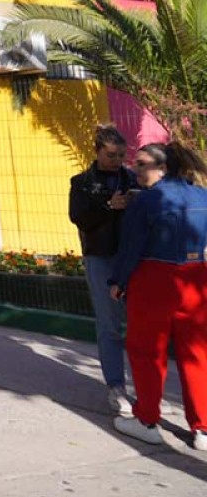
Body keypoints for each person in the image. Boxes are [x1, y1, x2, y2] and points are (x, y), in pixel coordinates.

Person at [108, 141, 207, 449]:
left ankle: (147, 420)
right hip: (197, 278)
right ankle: (203, 429)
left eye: (141, 164)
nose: (134, 169)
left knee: (147, 352)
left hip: (154, 278)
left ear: (163, 168)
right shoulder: (202, 196)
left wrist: (118, 281)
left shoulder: (147, 202)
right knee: (198, 354)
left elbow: (131, 247)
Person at [69, 123, 139, 416]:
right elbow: (79, 217)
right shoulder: (83, 182)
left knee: (137, 324)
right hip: (100, 257)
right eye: (111, 155)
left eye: (121, 155)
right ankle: (115, 386)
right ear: (97, 152)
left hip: (130, 257)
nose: (116, 161)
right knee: (109, 325)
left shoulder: (131, 178)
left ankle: (143, 389)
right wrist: (109, 206)